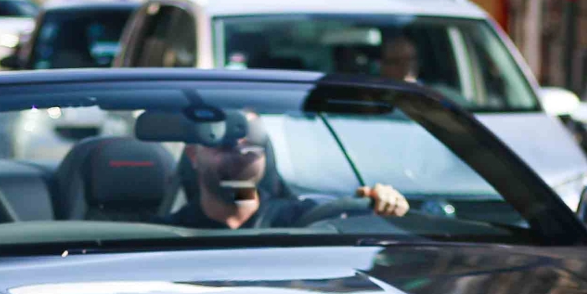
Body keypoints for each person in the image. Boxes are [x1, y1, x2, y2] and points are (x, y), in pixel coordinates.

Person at [162, 112, 410, 230]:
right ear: (193, 155)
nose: (239, 153)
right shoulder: (166, 236)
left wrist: (384, 205)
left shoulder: (304, 221)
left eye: (251, 141)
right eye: (223, 142)